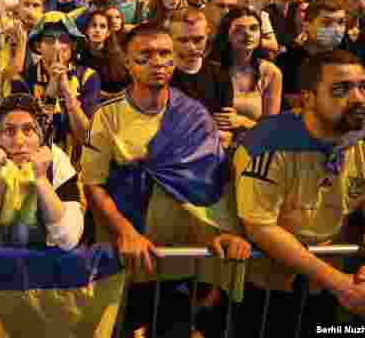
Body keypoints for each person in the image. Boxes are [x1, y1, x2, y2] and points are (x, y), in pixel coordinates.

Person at [82, 22, 250, 338]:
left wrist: (219, 233)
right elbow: (93, 185)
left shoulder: (196, 116)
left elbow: (212, 186)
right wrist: (126, 233)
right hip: (126, 256)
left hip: (179, 258)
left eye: (164, 54)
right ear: (128, 64)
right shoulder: (107, 117)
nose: (157, 62)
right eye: (145, 55)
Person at [234, 50, 365, 335]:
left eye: (363, 86)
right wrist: (337, 282)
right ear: (308, 98)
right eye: (340, 89)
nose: (357, 98)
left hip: (333, 282)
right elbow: (260, 227)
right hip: (265, 283)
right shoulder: (266, 144)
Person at [0, 93, 84, 250]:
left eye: (28, 130)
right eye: (9, 131)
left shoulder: (57, 160)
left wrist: (41, 179)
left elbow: (69, 239)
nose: (19, 141)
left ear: (43, 135)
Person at [8, 12, 100, 170]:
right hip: (33, 169)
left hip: (76, 170)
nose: (57, 46)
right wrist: (50, 92)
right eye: (50, 40)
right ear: (38, 46)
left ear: (73, 46)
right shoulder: (22, 81)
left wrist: (67, 93)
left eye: (64, 40)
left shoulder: (87, 77)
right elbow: (26, 137)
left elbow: (87, 136)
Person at [208, 7, 282, 133]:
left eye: (253, 28)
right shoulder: (211, 69)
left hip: (253, 145)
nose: (248, 34)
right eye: (239, 30)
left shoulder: (271, 72)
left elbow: (271, 130)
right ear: (227, 34)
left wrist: (242, 122)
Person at [168, 10, 234, 144]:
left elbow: (225, 127)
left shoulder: (220, 73)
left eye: (198, 39)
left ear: (207, 35)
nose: (191, 47)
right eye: (182, 40)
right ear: (169, 38)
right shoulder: (160, 75)